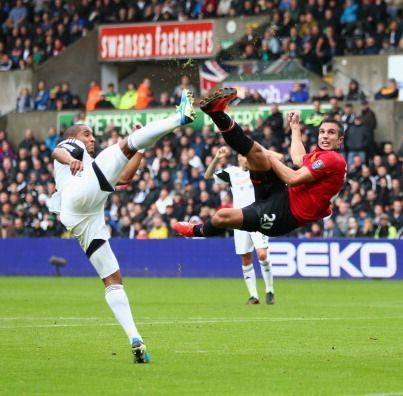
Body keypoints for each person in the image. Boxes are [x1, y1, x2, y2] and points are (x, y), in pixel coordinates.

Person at [49, 89, 196, 363]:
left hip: (85, 216)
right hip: (78, 194)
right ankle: (179, 117)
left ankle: (135, 340)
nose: (91, 138)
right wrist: (72, 160)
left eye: (92, 135)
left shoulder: (91, 163)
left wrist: (140, 148)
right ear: (74, 136)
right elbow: (58, 152)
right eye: (86, 134)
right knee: (124, 144)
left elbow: (126, 178)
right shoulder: (72, 146)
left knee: (113, 280)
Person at [173, 87, 347, 239]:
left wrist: (270, 156)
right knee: (256, 153)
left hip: (284, 216)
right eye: (322, 132)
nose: (324, 136)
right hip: (281, 194)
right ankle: (216, 113)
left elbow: (293, 178)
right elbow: (298, 159)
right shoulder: (321, 154)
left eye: (331, 133)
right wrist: (295, 128)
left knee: (222, 216)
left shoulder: (333, 159)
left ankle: (196, 231)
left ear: (340, 140)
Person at [204, 146, 276, 305]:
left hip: (258, 218)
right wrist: (216, 158)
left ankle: (269, 290)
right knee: (245, 257)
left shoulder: (259, 171)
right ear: (239, 159)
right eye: (243, 156)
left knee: (262, 255)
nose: (246, 158)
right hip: (240, 219)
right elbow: (208, 175)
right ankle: (254, 296)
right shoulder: (232, 172)